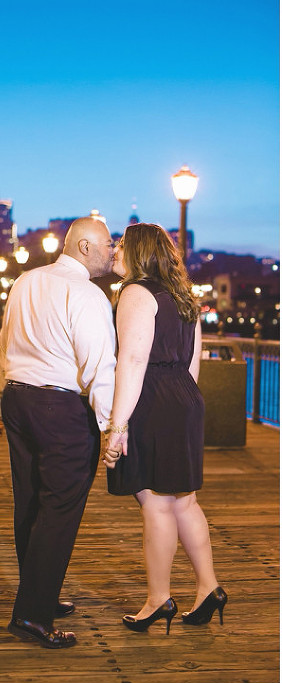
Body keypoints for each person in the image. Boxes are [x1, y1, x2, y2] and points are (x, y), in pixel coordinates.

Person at [0, 216, 117, 649]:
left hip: (19, 400)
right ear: (83, 248)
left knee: (30, 501)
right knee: (59, 508)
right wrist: (112, 427)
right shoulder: (87, 294)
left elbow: (5, 344)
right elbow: (100, 368)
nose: (113, 250)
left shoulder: (26, 281)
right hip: (60, 407)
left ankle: (39, 593)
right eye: (107, 244)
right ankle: (32, 616)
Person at [102, 223, 226, 633]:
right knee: (184, 502)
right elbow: (194, 362)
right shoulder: (183, 295)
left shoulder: (135, 293)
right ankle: (208, 588)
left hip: (152, 400)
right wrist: (183, 401)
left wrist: (117, 426)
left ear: (137, 253)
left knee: (155, 504)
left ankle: (159, 599)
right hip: (185, 398)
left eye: (121, 244)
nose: (114, 250)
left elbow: (132, 363)